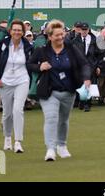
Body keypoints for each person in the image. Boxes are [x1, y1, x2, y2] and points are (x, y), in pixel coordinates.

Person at [27, 20, 91, 161]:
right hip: (49, 92)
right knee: (51, 118)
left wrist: (86, 78)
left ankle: (62, 146)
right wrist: (39, 67)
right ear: (50, 37)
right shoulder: (42, 50)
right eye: (57, 35)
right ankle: (50, 149)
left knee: (63, 120)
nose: (60, 37)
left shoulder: (71, 49)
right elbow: (29, 64)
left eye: (62, 34)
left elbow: (84, 64)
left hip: (68, 92)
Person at [0, 20, 33, 153]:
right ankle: (7, 138)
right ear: (10, 31)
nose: (17, 32)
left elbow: (33, 63)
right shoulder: (2, 44)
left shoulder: (28, 46)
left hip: (22, 81)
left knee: (18, 110)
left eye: (20, 30)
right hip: (5, 82)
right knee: (7, 113)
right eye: (15, 30)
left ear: (23, 32)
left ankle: (18, 141)